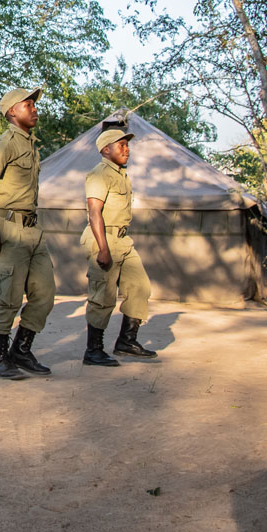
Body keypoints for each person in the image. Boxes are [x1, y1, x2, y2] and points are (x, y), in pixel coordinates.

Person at [0, 87, 55, 380]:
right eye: (28, 104)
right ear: (12, 111)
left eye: (35, 104)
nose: (34, 108)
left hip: (34, 229)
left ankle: (21, 350)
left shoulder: (32, 144)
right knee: (7, 298)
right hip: (9, 228)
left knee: (45, 294)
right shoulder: (5, 143)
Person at [82, 127, 157, 366]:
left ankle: (126, 341)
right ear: (106, 149)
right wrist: (103, 249)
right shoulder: (99, 174)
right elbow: (94, 212)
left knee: (140, 287)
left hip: (123, 240)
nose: (127, 149)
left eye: (127, 145)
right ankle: (93, 351)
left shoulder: (121, 174)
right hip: (104, 238)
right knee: (102, 296)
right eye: (121, 145)